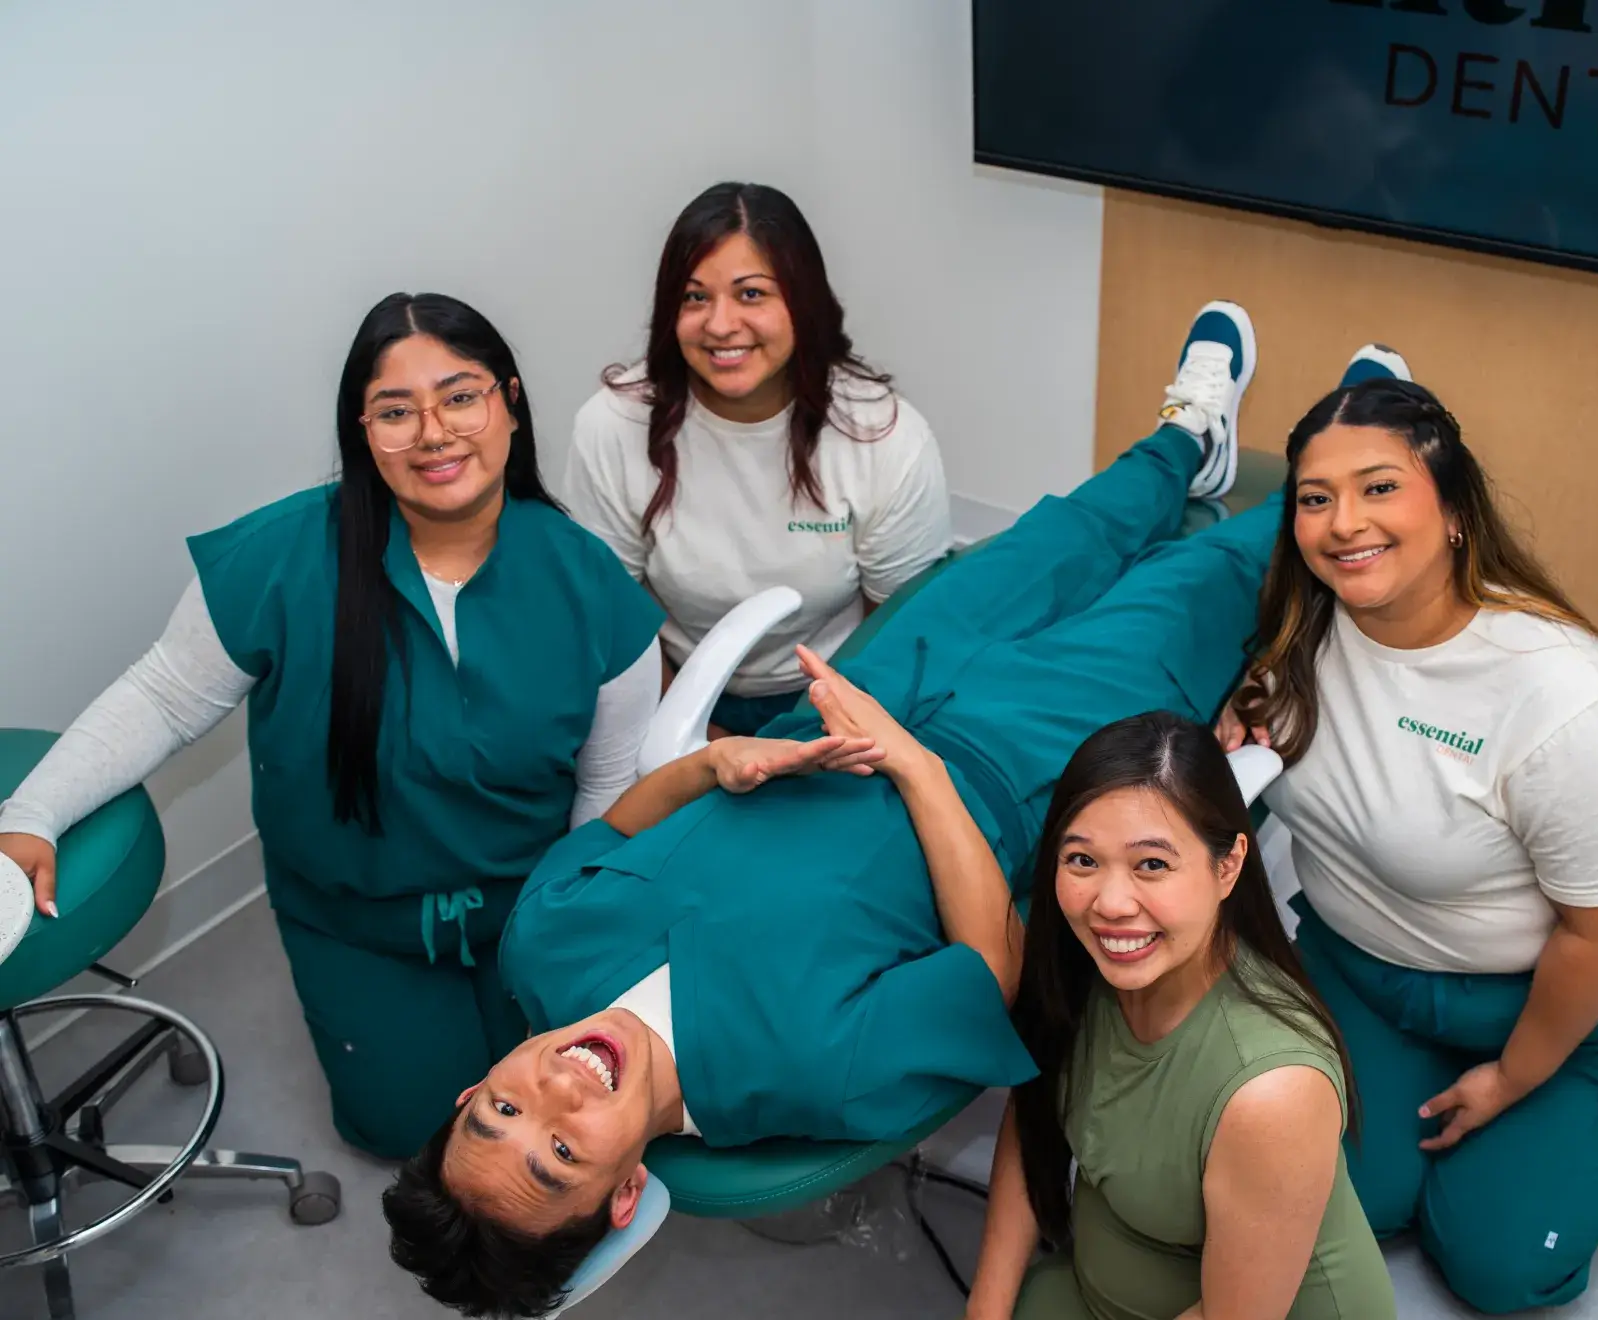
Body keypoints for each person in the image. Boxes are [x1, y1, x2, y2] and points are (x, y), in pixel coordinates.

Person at [381, 302, 1272, 1318]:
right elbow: (995, 970)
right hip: (1011, 765)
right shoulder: (806, 1073)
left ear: (470, 1090)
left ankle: (1185, 442)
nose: (554, 1091)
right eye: (559, 1154)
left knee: (1061, 535)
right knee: (1196, 589)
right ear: (625, 1192)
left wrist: (714, 766)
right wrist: (916, 773)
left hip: (869, 684)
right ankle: (1337, 471)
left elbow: (620, 826)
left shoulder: (541, 950)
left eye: (500, 1108)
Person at [0, 293, 665, 1161]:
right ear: (363, 431)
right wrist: (30, 815)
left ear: (509, 401)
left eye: (461, 396)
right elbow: (162, 696)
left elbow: (608, 788)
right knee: (415, 1134)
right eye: (396, 411)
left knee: (553, 1124)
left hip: (526, 906)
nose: (434, 432)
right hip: (358, 919)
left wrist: (570, 935)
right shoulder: (283, 560)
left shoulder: (588, 581)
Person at [1217, 364, 1598, 1313]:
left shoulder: (1564, 694)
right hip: (1370, 967)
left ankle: (1558, 1101)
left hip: (1577, 991)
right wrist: (1238, 721)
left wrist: (1514, 1077)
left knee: (1495, 1265)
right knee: (1317, 1203)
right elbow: (1283, 724)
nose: (1343, 522)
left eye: (1379, 488)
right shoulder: (1304, 620)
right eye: (1316, 499)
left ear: (1452, 511)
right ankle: (1430, 1082)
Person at [965, 712, 1398, 1320]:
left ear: (1227, 866)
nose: (1110, 905)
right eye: (1083, 861)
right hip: (1096, 1287)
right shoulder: (1087, 964)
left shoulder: (1272, 1092)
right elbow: (1033, 1119)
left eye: (1152, 865)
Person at [563, 181, 951, 737]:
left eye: (751, 294)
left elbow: (898, 629)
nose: (720, 325)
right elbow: (614, 615)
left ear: (802, 301)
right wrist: (701, 741)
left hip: (834, 695)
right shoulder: (613, 426)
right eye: (695, 297)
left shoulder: (884, 437)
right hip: (668, 687)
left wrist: (817, 735)